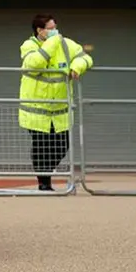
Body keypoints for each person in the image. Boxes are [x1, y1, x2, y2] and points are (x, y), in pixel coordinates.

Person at [18, 14, 92, 191]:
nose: (55, 32)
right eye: (50, 29)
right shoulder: (29, 45)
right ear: (39, 31)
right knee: (41, 146)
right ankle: (44, 183)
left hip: (60, 110)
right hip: (36, 110)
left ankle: (46, 172)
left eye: (55, 27)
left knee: (62, 144)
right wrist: (51, 43)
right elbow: (33, 64)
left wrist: (76, 67)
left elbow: (86, 57)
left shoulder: (66, 43)